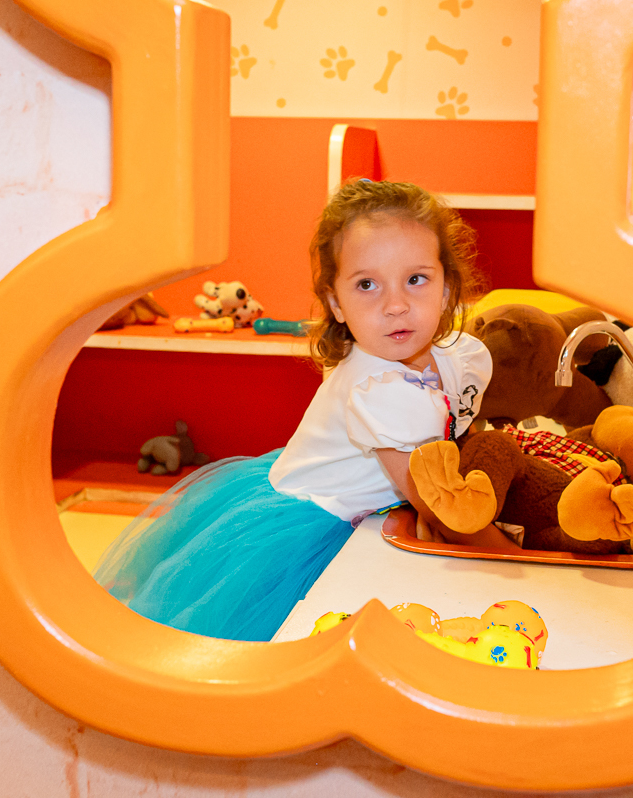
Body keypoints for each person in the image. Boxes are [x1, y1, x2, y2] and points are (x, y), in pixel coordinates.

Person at [94, 180, 497, 642]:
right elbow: (437, 504)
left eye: (416, 279)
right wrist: (512, 551)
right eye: (367, 284)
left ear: (447, 289)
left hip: (371, 509)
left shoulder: (458, 355)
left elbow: (460, 430)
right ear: (336, 303)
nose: (396, 305)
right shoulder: (377, 389)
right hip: (312, 525)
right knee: (282, 645)